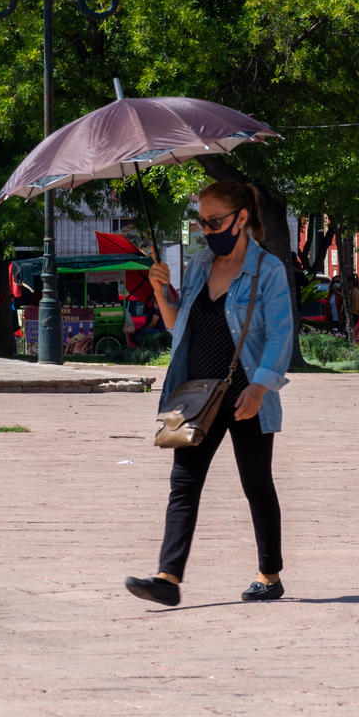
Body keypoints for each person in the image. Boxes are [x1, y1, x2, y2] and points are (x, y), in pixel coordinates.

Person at [124, 180, 294, 607]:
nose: (206, 230)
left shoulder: (268, 269)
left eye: (214, 221)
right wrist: (160, 290)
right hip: (197, 395)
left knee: (256, 482)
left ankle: (269, 575)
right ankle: (167, 578)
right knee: (183, 481)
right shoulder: (201, 264)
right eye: (201, 222)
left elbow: (280, 336)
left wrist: (260, 387)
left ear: (241, 218)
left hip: (245, 395)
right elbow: (177, 325)